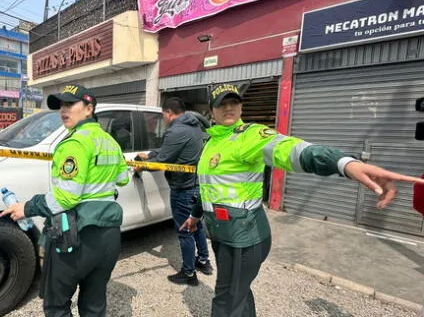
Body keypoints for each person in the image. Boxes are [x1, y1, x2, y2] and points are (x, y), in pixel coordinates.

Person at [179, 83, 424, 317]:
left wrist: (344, 163)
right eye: (222, 104)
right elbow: (208, 187)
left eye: (234, 102)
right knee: (237, 292)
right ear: (211, 111)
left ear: (242, 108)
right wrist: (195, 215)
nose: (229, 108)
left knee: (226, 300)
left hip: (244, 238)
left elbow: (294, 150)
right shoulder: (211, 142)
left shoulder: (250, 135)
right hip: (224, 234)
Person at [1, 84, 130, 316]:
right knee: (94, 305)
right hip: (109, 236)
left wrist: (27, 208)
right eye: (61, 105)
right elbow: (122, 179)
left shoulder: (75, 143)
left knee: (56, 306)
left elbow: (65, 198)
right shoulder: (110, 141)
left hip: (76, 236)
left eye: (70, 104)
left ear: (89, 108)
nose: (63, 110)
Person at [137, 97, 212, 286]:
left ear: (168, 113)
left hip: (182, 188)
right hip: (194, 184)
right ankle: (203, 261)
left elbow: (162, 162)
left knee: (185, 230)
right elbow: (171, 151)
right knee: (196, 225)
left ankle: (189, 273)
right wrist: (152, 154)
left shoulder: (175, 130)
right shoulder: (193, 126)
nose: (163, 118)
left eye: (163, 115)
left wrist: (142, 165)